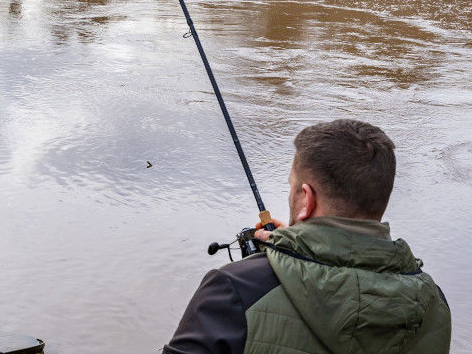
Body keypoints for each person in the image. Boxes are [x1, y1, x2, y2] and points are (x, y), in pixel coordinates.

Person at [163, 119, 451, 354]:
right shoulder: (434, 305)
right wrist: (296, 247)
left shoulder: (232, 291)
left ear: (307, 199)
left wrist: (268, 268)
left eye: (292, 186)